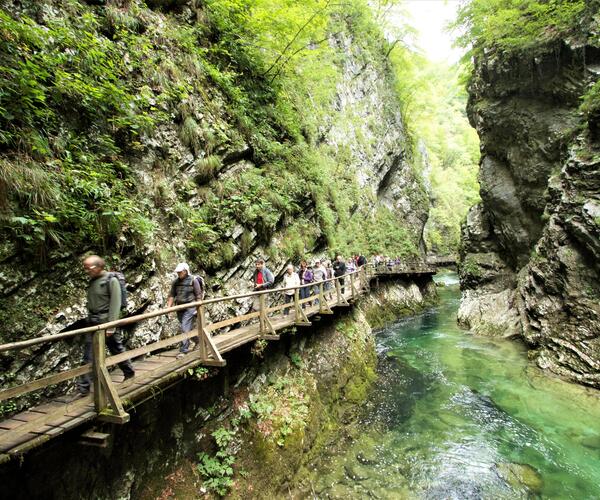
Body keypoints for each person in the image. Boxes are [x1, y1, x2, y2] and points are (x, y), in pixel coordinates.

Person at [78, 255, 134, 395]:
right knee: (88, 356)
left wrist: (111, 326)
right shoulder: (92, 281)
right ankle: (83, 388)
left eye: (88, 268)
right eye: (85, 268)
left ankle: (129, 373)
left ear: (98, 267)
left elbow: (115, 304)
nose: (86, 271)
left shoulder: (111, 280)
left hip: (106, 323)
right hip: (93, 323)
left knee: (116, 349)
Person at [167, 262, 204, 355]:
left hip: (190, 307)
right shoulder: (176, 282)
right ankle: (199, 341)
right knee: (187, 328)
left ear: (185, 271)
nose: (178, 274)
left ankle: (184, 350)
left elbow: (198, 295)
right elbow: (172, 295)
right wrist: (168, 308)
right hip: (180, 307)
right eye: (177, 272)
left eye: (180, 272)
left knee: (184, 327)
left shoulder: (193, 280)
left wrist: (197, 308)